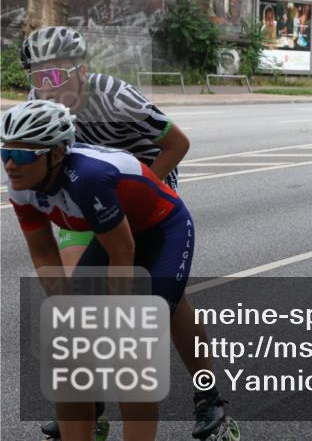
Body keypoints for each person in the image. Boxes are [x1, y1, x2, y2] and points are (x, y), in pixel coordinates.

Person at [20, 26, 230, 441]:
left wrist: (137, 202)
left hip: (146, 186)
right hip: (85, 196)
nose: (47, 88)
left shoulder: (115, 96)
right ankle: (88, 402)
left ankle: (208, 396)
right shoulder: (38, 107)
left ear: (81, 70)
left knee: (163, 302)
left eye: (56, 76)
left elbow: (177, 143)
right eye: (37, 77)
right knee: (77, 294)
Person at [2, 100, 209, 441]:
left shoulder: (87, 179)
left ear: (55, 154)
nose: (10, 164)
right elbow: (43, 254)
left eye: (23, 155)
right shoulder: (21, 187)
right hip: (117, 236)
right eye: (4, 153)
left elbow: (124, 251)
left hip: (162, 230)